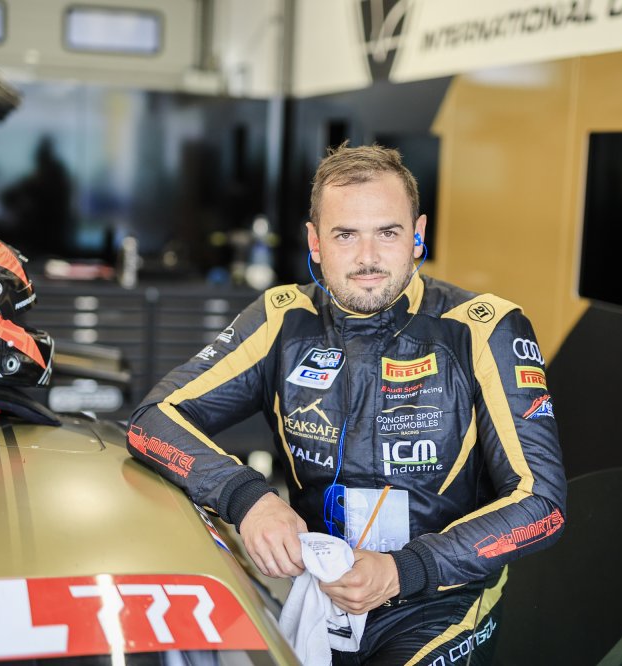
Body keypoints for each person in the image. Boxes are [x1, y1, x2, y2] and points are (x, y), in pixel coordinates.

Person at [126, 143, 566, 664]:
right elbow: (152, 421)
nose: (368, 258)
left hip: (441, 601)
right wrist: (248, 499)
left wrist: (406, 569)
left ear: (418, 233)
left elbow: (542, 504)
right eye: (345, 235)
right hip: (319, 593)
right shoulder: (281, 318)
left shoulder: (483, 328)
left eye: (388, 232)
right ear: (315, 242)